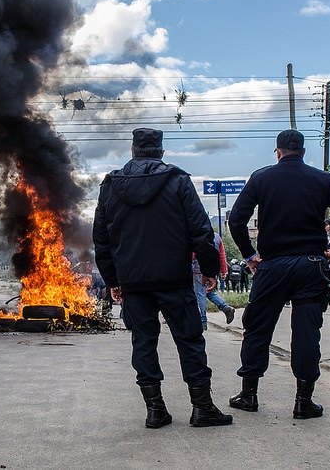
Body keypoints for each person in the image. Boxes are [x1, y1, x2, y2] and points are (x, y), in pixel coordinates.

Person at [93, 128, 232, 429]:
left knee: (143, 342)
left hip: (133, 283)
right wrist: (210, 269)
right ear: (161, 152)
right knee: (190, 340)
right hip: (174, 279)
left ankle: (155, 411)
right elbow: (200, 230)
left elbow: (101, 239)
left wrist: (113, 280)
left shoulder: (110, 185)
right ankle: (202, 408)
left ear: (132, 151)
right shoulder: (178, 181)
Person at [227, 129, 330, 419]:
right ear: (303, 152)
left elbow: (237, 219)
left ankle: (248, 395)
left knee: (258, 328)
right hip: (310, 266)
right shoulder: (321, 180)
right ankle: (304, 402)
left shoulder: (261, 178)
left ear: (277, 152)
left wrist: (250, 255)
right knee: (306, 333)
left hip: (272, 267)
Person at [193, 232, 236, 330]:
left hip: (198, 270)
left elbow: (194, 253)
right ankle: (226, 308)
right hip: (213, 270)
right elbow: (222, 255)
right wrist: (223, 270)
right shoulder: (217, 237)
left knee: (200, 294)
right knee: (209, 292)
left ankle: (202, 321)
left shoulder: (198, 235)